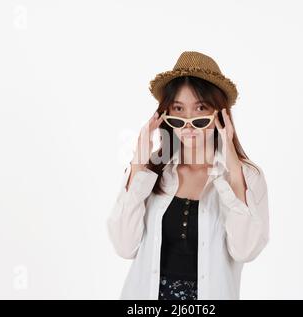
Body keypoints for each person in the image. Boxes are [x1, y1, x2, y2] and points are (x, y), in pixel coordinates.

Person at [107, 51, 269, 300]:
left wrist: (233, 172)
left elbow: (245, 251)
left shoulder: (247, 176)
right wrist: (139, 165)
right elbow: (124, 246)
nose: (189, 122)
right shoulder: (151, 172)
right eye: (178, 109)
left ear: (220, 114)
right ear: (166, 116)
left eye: (200, 108)